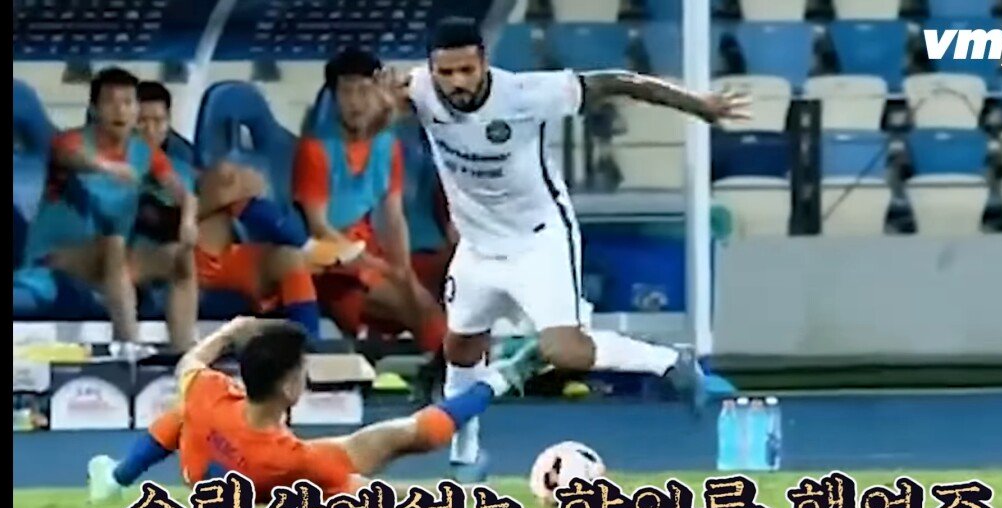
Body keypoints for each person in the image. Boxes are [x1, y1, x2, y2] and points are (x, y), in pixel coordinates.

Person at [374, 17, 751, 467]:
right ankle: (466, 454)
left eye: (467, 70)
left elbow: (616, 82)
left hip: (539, 239)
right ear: (432, 69)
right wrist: (384, 106)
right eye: (446, 72)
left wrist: (698, 105)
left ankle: (669, 361)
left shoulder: (526, 93)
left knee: (566, 352)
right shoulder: (418, 89)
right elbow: (376, 120)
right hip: (476, 247)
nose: (457, 82)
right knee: (460, 348)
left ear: (484, 63)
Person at [87, 316, 540, 503]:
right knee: (403, 436)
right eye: (302, 371)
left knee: (182, 413)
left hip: (205, 475)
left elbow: (189, 363)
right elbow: (377, 494)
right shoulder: (293, 459)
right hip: (270, 482)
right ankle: (501, 379)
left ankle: (117, 478)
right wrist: (457, 498)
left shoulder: (208, 392)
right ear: (289, 386)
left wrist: (228, 332)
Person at [134, 80, 341, 341]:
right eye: (142, 121)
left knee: (290, 260)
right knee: (227, 180)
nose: (151, 130)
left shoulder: (180, 157)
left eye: (158, 121)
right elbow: (160, 224)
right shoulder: (122, 167)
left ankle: (310, 348)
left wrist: (228, 193)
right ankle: (306, 243)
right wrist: (222, 196)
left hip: (221, 255)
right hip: (175, 260)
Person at [13, 67, 200, 350]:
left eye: (127, 102)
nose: (120, 110)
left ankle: (184, 352)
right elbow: (70, 155)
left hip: (114, 265)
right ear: (94, 109)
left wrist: (188, 221)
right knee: (113, 245)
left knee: (180, 257)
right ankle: (128, 347)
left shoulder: (144, 151)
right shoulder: (71, 141)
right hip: (57, 257)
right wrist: (106, 166)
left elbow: (183, 193)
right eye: (111, 102)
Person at [293, 49, 448, 357]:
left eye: (364, 91)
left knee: (422, 296)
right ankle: (452, 369)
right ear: (334, 97)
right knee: (415, 306)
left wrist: (402, 270)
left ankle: (452, 367)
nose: (355, 102)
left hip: (368, 255)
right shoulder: (315, 150)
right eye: (346, 92)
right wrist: (377, 266)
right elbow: (319, 228)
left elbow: (393, 218)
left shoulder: (388, 147)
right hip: (329, 264)